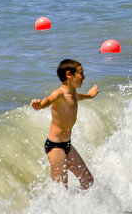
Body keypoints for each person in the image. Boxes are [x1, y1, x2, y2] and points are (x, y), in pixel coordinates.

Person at [30, 59, 99, 188]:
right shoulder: (58, 95)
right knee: (61, 189)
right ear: (69, 75)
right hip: (55, 146)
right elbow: (46, 102)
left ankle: (81, 206)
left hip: (67, 145)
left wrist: (90, 96)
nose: (83, 77)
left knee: (88, 182)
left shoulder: (73, 94)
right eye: (80, 73)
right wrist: (38, 105)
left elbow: (80, 96)